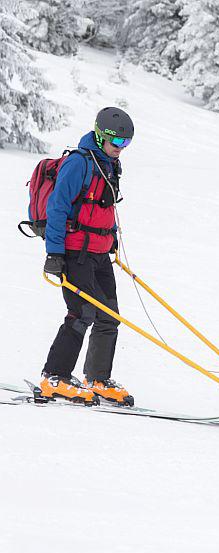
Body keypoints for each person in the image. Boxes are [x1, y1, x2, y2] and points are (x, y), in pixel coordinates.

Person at [40, 107, 134, 406]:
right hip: (74, 252)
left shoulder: (109, 165)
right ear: (100, 135)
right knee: (82, 313)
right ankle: (54, 377)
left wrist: (112, 240)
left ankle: (97, 379)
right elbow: (57, 208)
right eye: (117, 142)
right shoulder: (78, 164)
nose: (120, 149)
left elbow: (106, 208)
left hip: (99, 252)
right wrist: (54, 253)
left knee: (109, 315)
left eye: (126, 144)